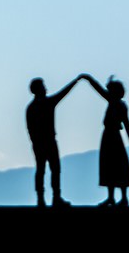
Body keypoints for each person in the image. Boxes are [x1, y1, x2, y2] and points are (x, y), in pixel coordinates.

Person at [25, 74, 86, 207]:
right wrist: (76, 81)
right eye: (43, 86)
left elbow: (29, 128)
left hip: (39, 143)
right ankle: (54, 198)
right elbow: (63, 93)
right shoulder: (47, 103)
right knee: (53, 169)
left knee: (42, 169)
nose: (46, 88)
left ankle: (42, 199)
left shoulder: (31, 107)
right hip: (48, 142)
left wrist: (34, 141)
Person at [86, 74, 129, 206]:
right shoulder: (119, 104)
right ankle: (114, 197)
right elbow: (127, 124)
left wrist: (88, 79)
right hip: (111, 136)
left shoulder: (115, 103)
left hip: (111, 137)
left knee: (115, 166)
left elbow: (126, 123)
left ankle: (118, 198)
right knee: (113, 167)